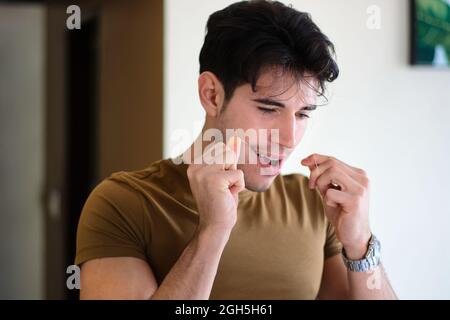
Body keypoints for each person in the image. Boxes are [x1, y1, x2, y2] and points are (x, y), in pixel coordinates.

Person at [76, 0, 397, 299]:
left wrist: (360, 244)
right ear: (212, 94)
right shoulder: (124, 203)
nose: (289, 138)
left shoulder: (314, 202)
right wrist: (212, 232)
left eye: (302, 114)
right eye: (268, 108)